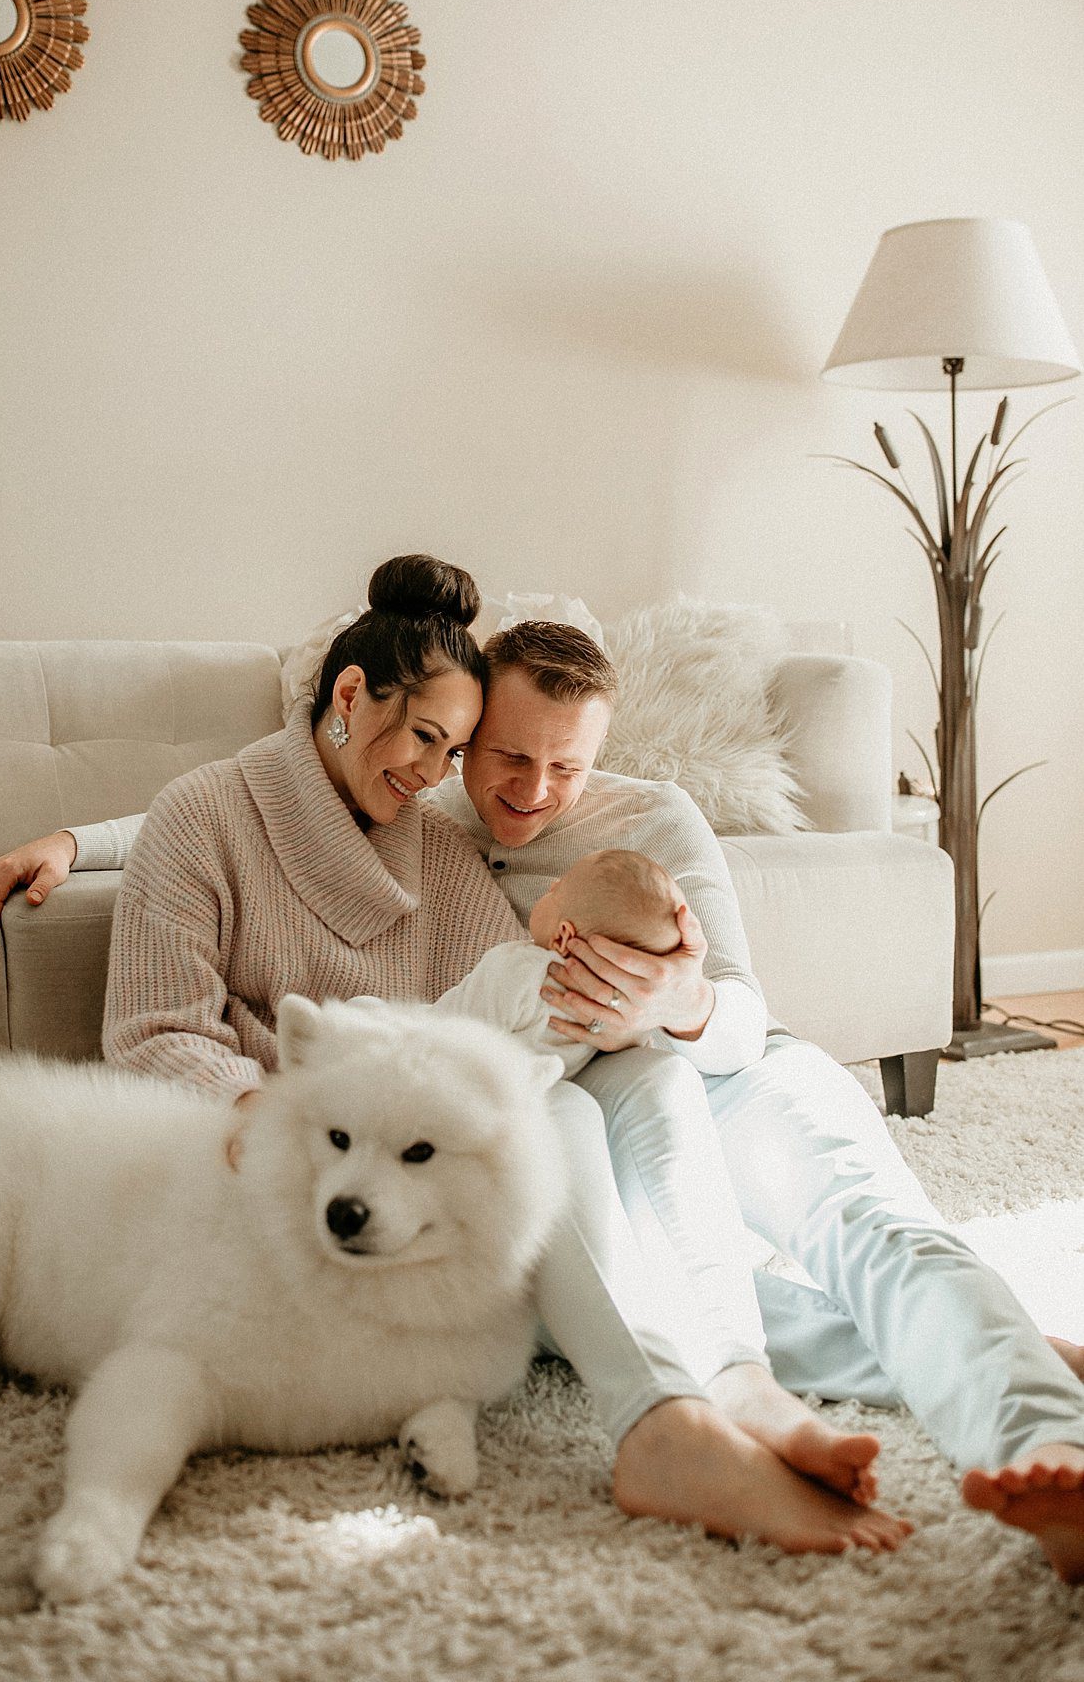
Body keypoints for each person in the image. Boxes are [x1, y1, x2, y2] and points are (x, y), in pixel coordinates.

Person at [0, 554, 907, 1556]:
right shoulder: (201, 816)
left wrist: (622, 1003)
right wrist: (254, 1100)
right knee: (572, 1207)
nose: (434, 775)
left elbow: (499, 1018)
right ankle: (706, 1408)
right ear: (348, 697)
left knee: (577, 1153)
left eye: (453, 749)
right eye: (426, 738)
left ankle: (858, 1360)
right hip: (298, 1169)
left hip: (425, 1185)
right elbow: (157, 1026)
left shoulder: (441, 848)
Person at [435, 618, 1084, 1584]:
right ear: (470, 732)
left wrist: (680, 1001)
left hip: (732, 1067)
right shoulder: (421, 826)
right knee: (651, 1286)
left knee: (872, 1223)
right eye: (509, 758)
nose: (533, 790)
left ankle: (1047, 1445)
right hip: (596, 1106)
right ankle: (1003, 1351)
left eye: (565, 767)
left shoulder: (654, 818)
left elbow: (740, 1010)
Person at [432, 847, 683, 1078]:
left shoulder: (520, 968)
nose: (551, 885)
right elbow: (637, 1053)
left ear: (563, 937)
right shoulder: (612, 1014)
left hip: (442, 1060)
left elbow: (463, 1033)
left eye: (556, 891)